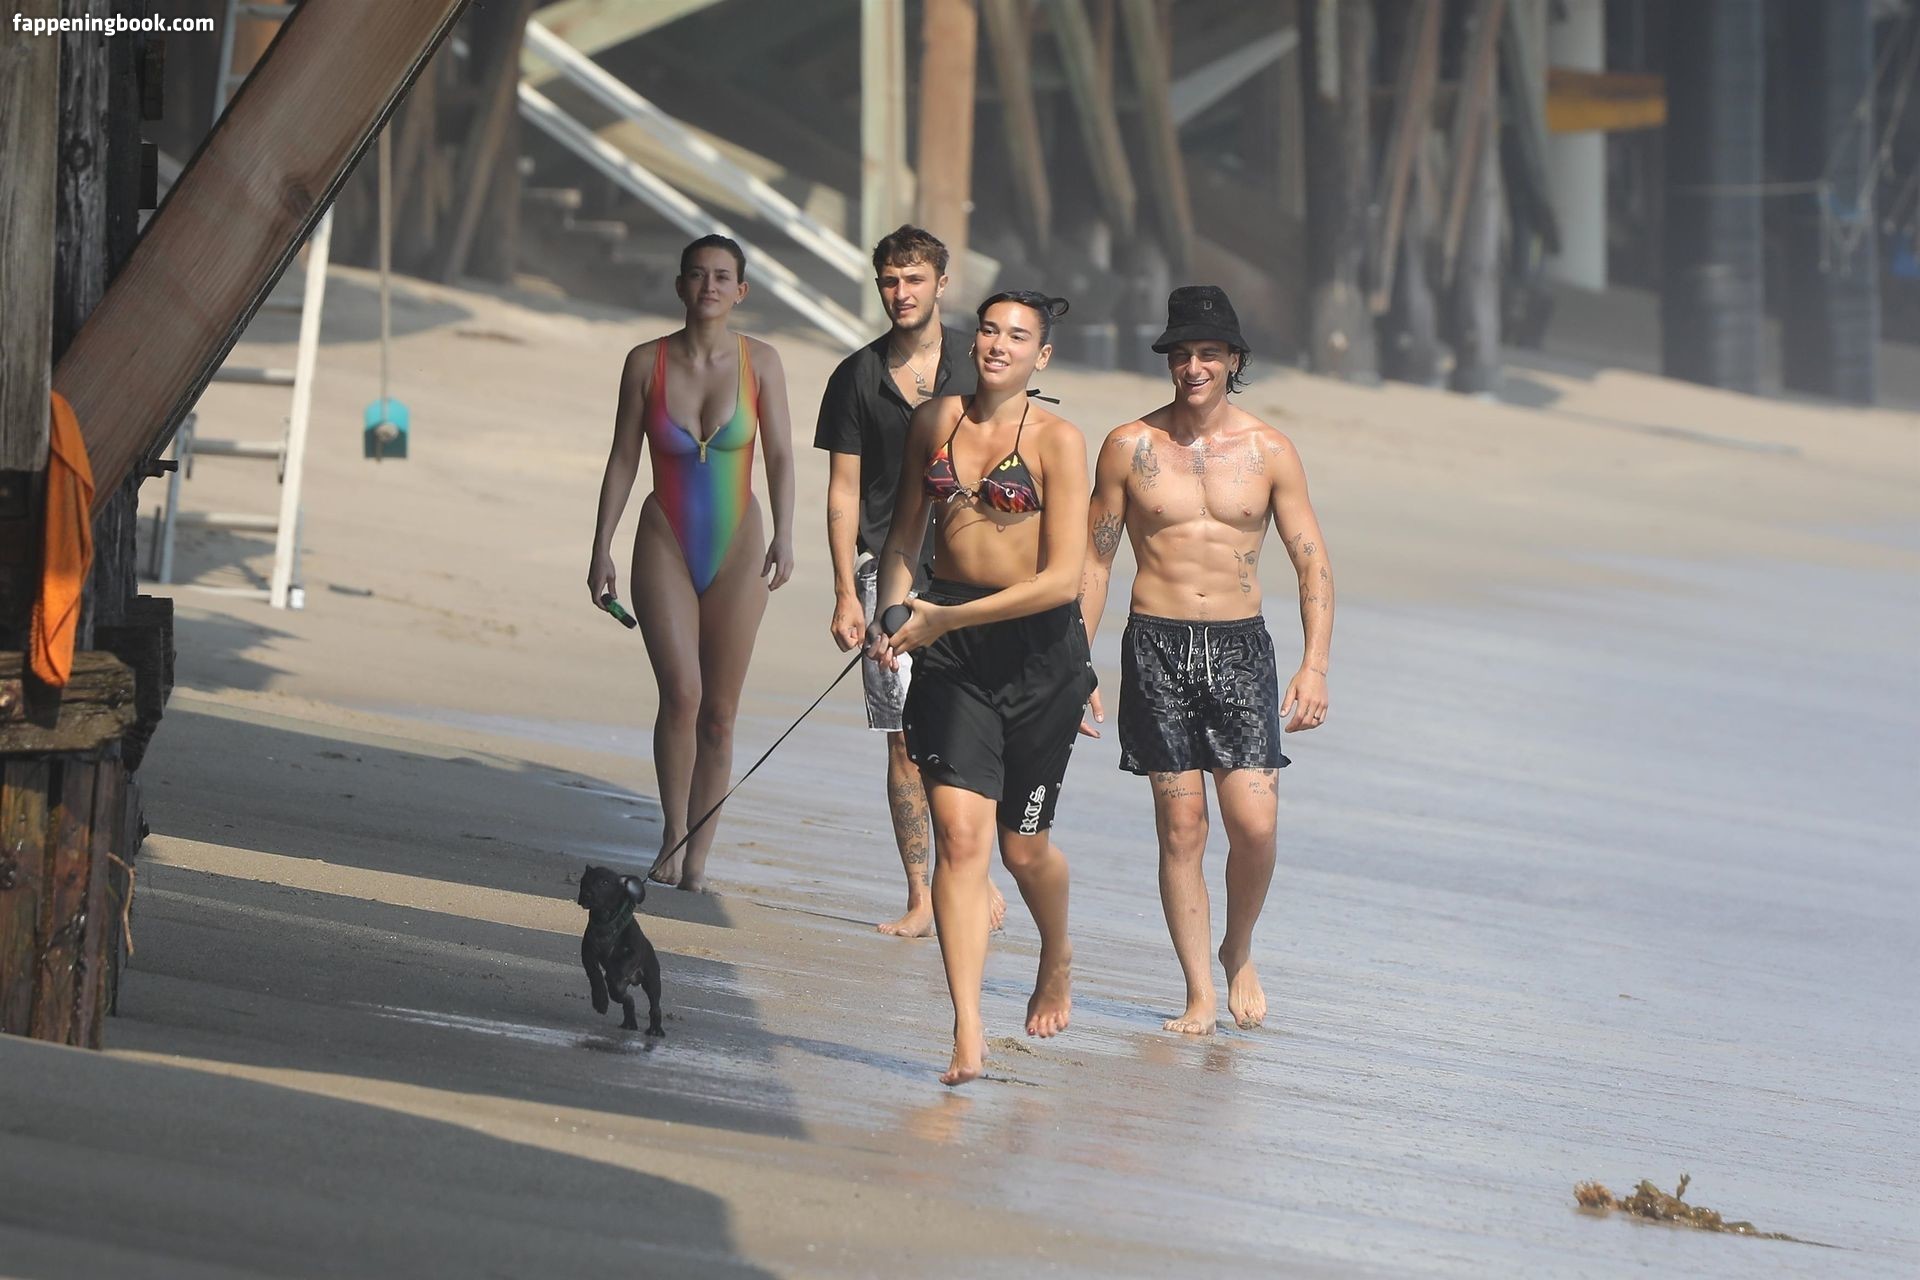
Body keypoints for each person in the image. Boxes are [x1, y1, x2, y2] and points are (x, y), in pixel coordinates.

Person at [1079, 285, 1333, 1034]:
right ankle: (1196, 993)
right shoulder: (1129, 446)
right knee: (1182, 827)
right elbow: (1096, 561)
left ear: (1234, 361)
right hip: (1154, 647)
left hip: (1240, 650)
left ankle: (1238, 947)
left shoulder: (1269, 451)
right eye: (1183, 354)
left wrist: (1315, 664)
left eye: (1209, 354)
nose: (1194, 367)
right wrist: (1076, 662)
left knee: (1254, 824)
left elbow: (1312, 561)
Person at [868, 290, 1096, 1086]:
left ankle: (1056, 952)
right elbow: (904, 538)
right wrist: (894, 611)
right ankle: (967, 1028)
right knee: (961, 842)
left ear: (1043, 356)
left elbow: (1062, 579)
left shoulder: (1060, 441)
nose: (999, 345)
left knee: (1022, 849)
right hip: (951, 651)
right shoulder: (936, 421)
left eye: (1018, 337)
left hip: (1040, 656)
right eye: (990, 330)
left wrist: (941, 620)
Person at [814, 225, 1006, 937]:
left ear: (941, 284)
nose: (902, 293)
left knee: (972, 727)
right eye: (890, 281)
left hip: (974, 572)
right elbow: (842, 490)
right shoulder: (856, 377)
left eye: (915, 279)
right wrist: (845, 591)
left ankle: (972, 872)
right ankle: (922, 898)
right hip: (884, 572)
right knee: (901, 737)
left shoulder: (980, 364)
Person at [588, 235, 796, 893]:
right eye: (698, 275)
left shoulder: (762, 362)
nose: (709, 286)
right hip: (664, 541)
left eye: (723, 276)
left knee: (720, 712)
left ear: (741, 291)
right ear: (680, 286)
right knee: (681, 694)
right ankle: (672, 837)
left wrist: (786, 534)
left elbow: (781, 455)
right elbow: (623, 456)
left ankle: (699, 857)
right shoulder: (644, 362)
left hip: (740, 545)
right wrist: (601, 545)